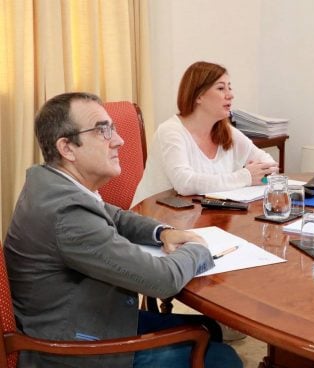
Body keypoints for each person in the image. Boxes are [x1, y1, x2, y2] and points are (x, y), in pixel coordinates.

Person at [3, 92, 243, 368]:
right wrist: (198, 248)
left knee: (209, 329)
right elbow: (162, 280)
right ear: (67, 148)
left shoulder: (51, 183)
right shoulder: (67, 215)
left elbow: (114, 216)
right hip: (70, 349)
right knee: (224, 360)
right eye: (103, 131)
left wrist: (163, 232)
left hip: (82, 315)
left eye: (113, 128)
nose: (119, 140)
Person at [131, 61, 278, 207]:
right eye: (221, 88)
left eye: (229, 88)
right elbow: (185, 183)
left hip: (198, 216)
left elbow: (269, 166)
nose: (230, 95)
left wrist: (262, 175)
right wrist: (245, 176)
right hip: (153, 219)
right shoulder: (170, 131)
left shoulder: (226, 131)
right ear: (198, 96)